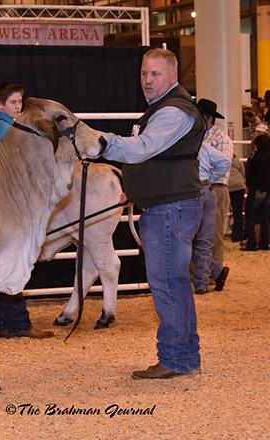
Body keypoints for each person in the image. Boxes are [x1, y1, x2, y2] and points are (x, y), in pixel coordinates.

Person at [101, 48, 205, 379]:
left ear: (172, 76)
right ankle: (186, 357)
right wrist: (137, 191)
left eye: (155, 74)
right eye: (144, 73)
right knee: (176, 284)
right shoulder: (165, 109)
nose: (147, 80)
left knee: (167, 284)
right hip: (169, 205)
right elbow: (161, 159)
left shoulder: (173, 112)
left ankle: (174, 359)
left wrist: (102, 143)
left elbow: (144, 149)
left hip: (169, 210)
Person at [0, 81, 54, 340]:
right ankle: (18, 323)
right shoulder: (5, 129)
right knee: (12, 262)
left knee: (2, 265)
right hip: (7, 202)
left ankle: (2, 324)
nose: (18, 107)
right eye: (13, 103)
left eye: (20, 103)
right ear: (0, 104)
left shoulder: (0, 126)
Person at [196, 99, 233, 291]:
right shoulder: (196, 136)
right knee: (198, 235)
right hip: (200, 188)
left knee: (214, 234)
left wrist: (208, 177)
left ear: (207, 118)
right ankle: (213, 271)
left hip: (215, 188)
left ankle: (212, 274)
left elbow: (224, 163)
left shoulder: (221, 138)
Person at [191, 142, 231, 294]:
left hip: (190, 192)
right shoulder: (203, 145)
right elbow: (225, 162)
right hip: (207, 189)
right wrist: (211, 178)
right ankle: (208, 277)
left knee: (186, 239)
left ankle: (212, 273)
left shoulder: (179, 142)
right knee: (205, 239)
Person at [243, 134, 270, 250]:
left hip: (256, 189)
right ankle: (265, 243)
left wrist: (249, 184)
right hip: (268, 190)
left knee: (250, 217)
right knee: (265, 217)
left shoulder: (256, 156)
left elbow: (249, 172)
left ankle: (251, 243)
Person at [228, 153, 246, 242]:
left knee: (221, 211)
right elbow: (242, 171)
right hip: (239, 186)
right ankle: (237, 235)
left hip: (226, 186)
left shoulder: (219, 159)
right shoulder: (235, 159)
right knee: (238, 212)